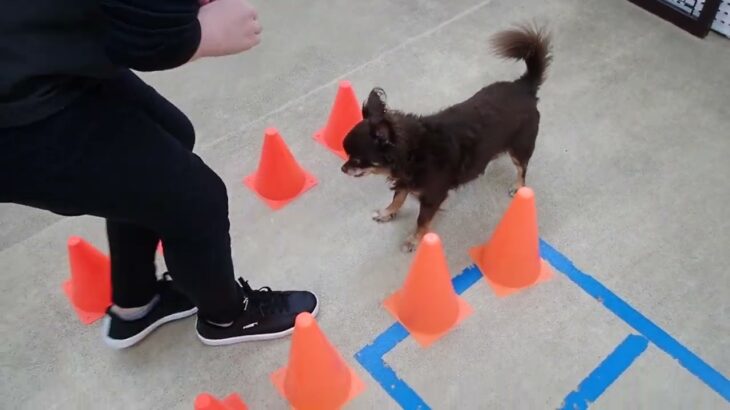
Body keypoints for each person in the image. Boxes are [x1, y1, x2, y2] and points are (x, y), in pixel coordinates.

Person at [0, 0, 318, 348]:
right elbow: (147, 36)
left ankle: (137, 302)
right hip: (19, 115)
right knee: (198, 200)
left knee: (171, 137)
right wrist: (199, 34)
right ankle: (228, 316)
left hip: (50, 55)